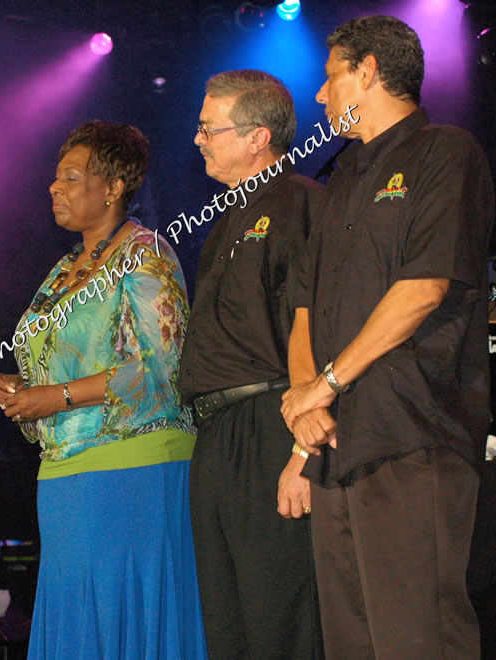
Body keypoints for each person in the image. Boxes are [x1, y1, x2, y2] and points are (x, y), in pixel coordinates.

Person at [281, 15, 495, 658]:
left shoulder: (446, 153)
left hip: (413, 432)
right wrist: (302, 404)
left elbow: (424, 288)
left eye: (329, 77)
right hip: (338, 445)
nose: (320, 96)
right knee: (351, 641)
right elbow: (304, 309)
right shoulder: (338, 178)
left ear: (366, 71)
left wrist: (324, 385)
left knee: (417, 636)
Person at [0, 120, 206, 659]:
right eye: (55, 177)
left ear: (112, 187)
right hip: (65, 474)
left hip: (131, 469)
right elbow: (53, 362)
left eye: (70, 177)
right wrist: (21, 387)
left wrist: (56, 397)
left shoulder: (146, 254)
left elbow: (160, 369)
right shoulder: (65, 269)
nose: (53, 187)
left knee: (121, 621)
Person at [176, 71, 324, 658]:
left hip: (271, 421)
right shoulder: (227, 217)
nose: (199, 139)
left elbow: (317, 328)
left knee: (276, 614)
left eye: (210, 128)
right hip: (215, 430)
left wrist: (303, 453)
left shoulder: (302, 204)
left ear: (258, 137)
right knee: (226, 618)